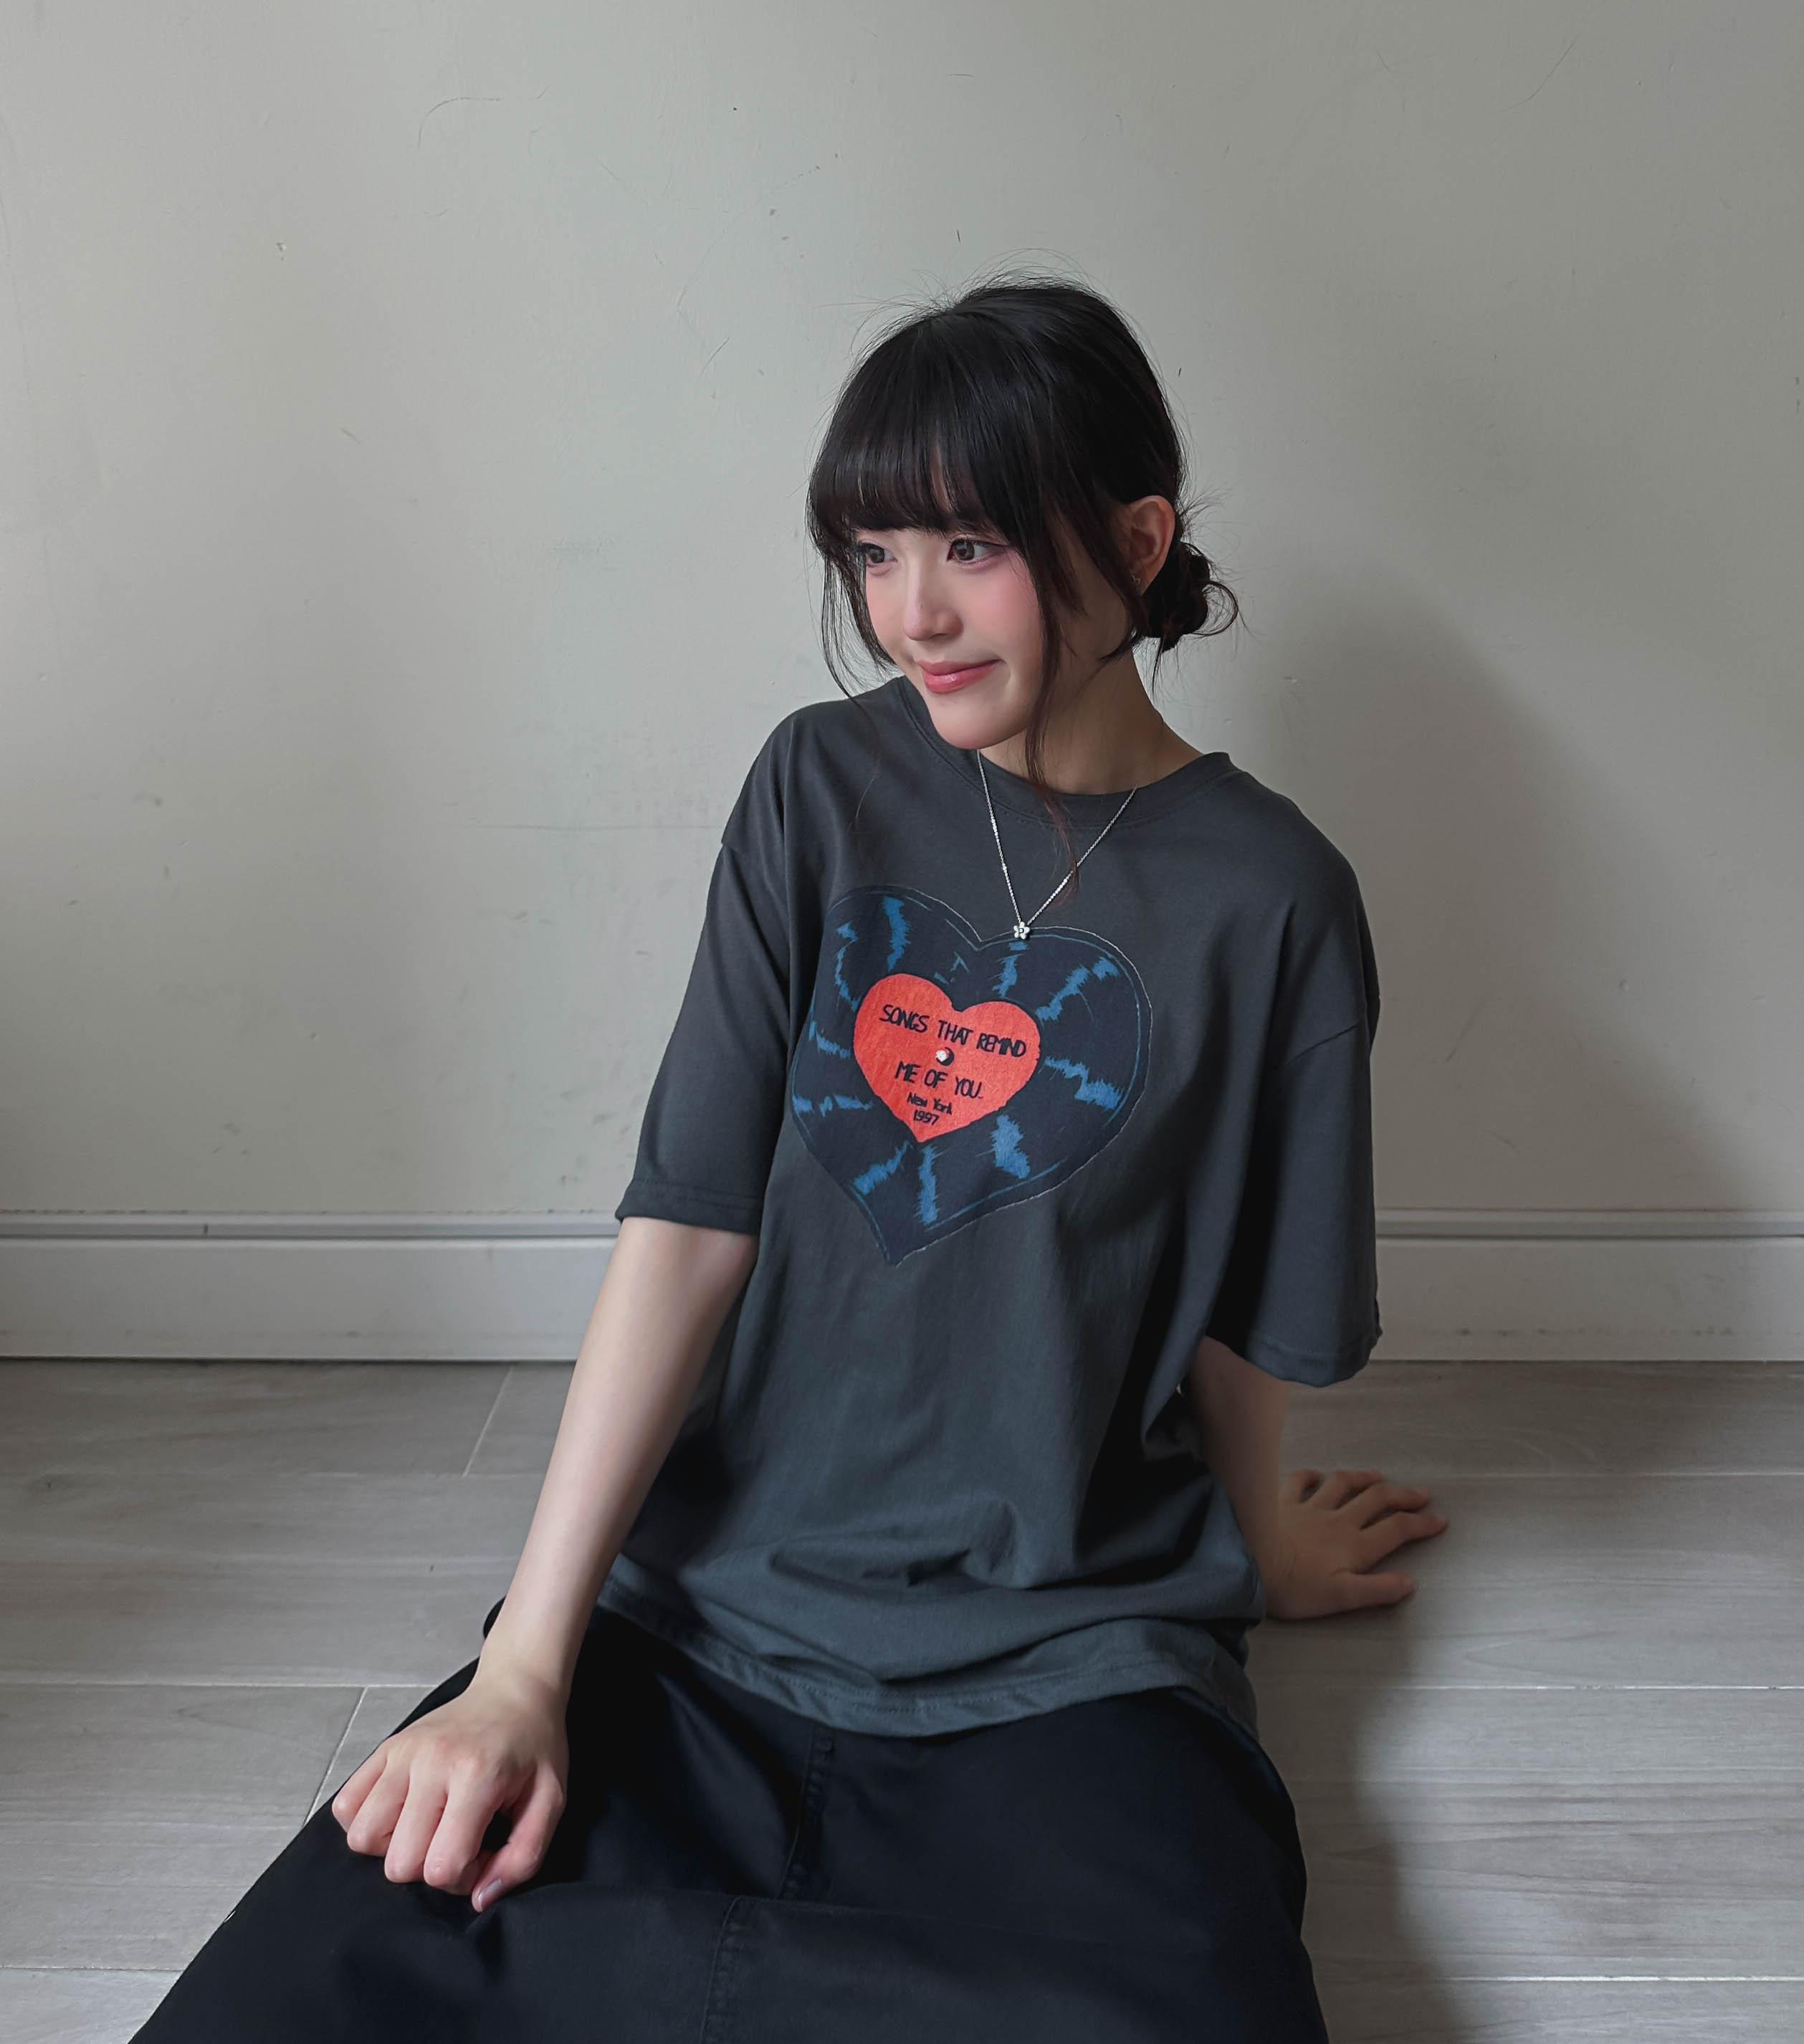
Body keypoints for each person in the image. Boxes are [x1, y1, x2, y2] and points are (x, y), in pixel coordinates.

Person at [138, 272, 1444, 2042]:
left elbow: (1232, 1312)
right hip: (704, 1612)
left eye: (971, 544)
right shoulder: (818, 789)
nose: (910, 610)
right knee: (296, 1990)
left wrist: (1256, 1543)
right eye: (873, 550)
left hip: (1072, 1649)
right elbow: (687, 1230)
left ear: (1139, 542)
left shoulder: (1273, 896)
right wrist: (523, 1664)